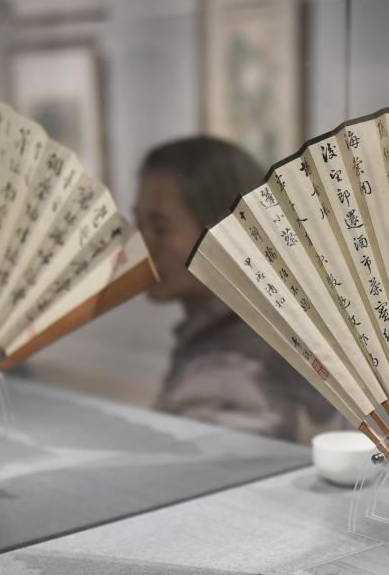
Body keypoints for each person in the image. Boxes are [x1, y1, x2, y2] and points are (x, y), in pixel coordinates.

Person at [134, 136, 339, 444]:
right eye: (139, 224)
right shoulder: (269, 319)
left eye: (160, 228)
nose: (141, 245)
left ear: (221, 229)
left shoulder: (233, 367)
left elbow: (205, 465)